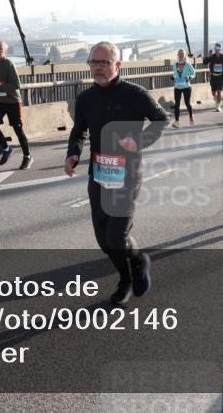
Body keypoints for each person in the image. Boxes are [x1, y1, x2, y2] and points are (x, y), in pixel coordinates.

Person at [65, 42, 168, 305]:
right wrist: (73, 153)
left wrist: (140, 141)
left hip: (128, 176)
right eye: (94, 62)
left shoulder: (136, 94)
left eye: (104, 62)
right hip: (99, 175)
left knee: (116, 236)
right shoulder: (86, 98)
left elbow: (162, 119)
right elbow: (79, 131)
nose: (98, 68)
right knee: (104, 241)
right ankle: (133, 265)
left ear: (118, 65)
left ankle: (129, 276)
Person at [0, 40, 32, 169]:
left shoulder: (9, 64)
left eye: (0, 48)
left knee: (18, 129)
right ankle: (6, 148)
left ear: (5, 51)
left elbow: (16, 84)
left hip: (12, 102)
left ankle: (27, 156)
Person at [171, 49, 196, 128]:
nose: (181, 55)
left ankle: (191, 116)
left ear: (184, 55)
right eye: (179, 54)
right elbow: (175, 74)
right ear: (177, 55)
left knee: (187, 103)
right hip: (177, 87)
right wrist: (173, 77)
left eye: (182, 54)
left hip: (186, 87)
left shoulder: (188, 65)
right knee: (177, 104)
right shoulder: (174, 65)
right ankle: (176, 121)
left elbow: (193, 73)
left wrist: (189, 77)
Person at [206, 43, 223, 112]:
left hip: (221, 77)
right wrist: (208, 56)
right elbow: (205, 62)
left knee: (219, 91)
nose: (217, 50)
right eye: (216, 48)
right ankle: (216, 99)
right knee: (213, 93)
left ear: (221, 49)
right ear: (214, 49)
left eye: (218, 48)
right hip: (213, 77)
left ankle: (218, 106)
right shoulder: (212, 57)